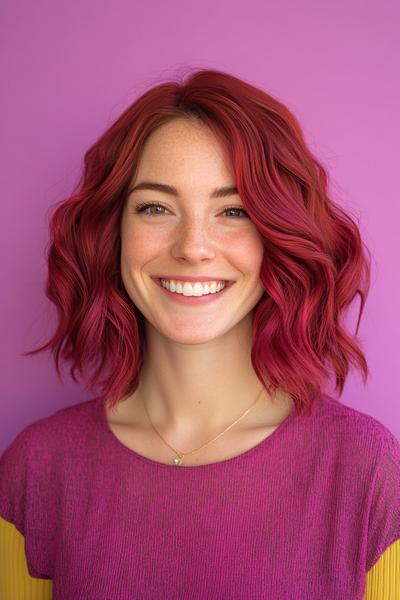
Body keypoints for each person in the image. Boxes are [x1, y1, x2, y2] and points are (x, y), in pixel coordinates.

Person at [0, 68, 399, 599]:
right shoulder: (37, 469)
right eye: (156, 208)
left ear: (278, 236)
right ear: (111, 231)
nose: (193, 247)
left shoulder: (366, 471)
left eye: (233, 211)